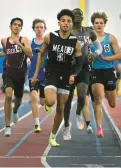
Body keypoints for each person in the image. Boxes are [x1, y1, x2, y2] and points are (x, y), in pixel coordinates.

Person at [31, 9, 84, 146]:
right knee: (50, 101)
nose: (66, 23)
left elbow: (79, 63)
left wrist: (74, 75)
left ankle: (53, 136)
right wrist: (36, 74)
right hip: (51, 73)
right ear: (59, 22)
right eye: (63, 20)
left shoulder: (75, 42)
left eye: (69, 21)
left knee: (61, 107)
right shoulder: (50, 36)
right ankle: (48, 103)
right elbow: (41, 55)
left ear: (72, 24)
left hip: (66, 76)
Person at [63, 8, 102, 140]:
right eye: (75, 14)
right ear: (71, 17)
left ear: (83, 17)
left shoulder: (89, 31)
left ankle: (78, 112)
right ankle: (67, 128)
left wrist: (95, 54)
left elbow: (99, 47)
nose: (78, 16)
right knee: (67, 100)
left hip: (84, 67)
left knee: (81, 96)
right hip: (68, 69)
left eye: (80, 14)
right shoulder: (66, 31)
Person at [90, 12, 121, 137]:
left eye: (101, 23)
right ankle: (99, 128)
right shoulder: (89, 40)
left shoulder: (111, 38)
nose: (99, 25)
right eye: (96, 23)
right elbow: (83, 56)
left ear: (104, 24)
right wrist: (90, 57)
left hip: (109, 72)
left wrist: (107, 58)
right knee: (98, 100)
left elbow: (119, 55)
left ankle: (108, 94)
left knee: (112, 104)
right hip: (96, 72)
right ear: (93, 25)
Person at [0, 17, 32, 137]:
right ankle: (7, 126)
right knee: (8, 95)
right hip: (8, 72)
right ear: (10, 26)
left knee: (18, 99)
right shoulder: (4, 40)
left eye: (19, 25)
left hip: (20, 74)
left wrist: (20, 45)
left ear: (21, 28)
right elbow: (5, 51)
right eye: (14, 24)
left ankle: (15, 111)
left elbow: (30, 54)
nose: (16, 26)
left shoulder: (24, 39)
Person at [28, 19, 51, 133]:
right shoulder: (30, 42)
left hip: (45, 74)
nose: (39, 29)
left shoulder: (48, 42)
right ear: (34, 29)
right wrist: (27, 60)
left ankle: (47, 103)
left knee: (42, 101)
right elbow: (26, 54)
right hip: (33, 73)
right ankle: (37, 124)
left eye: (41, 27)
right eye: (37, 27)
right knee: (33, 97)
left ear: (44, 29)